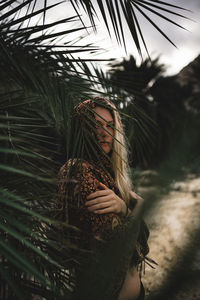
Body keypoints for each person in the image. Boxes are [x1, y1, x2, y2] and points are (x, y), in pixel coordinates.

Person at [56, 97, 153, 300]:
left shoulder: (109, 175)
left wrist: (124, 209)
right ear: (81, 129)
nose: (104, 133)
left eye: (110, 126)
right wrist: (130, 212)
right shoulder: (79, 172)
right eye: (95, 125)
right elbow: (113, 252)